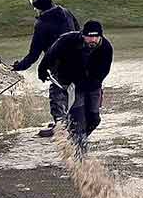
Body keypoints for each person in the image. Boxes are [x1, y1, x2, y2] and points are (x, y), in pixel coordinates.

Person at [39, 19, 113, 150]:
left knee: (94, 119)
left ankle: (74, 135)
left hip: (93, 84)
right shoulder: (68, 40)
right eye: (89, 37)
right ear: (83, 35)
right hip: (73, 83)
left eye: (96, 37)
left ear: (100, 36)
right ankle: (79, 148)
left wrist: (89, 85)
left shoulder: (106, 48)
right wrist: (43, 69)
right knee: (78, 119)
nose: (93, 40)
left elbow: (102, 72)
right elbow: (51, 54)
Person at [12, 0, 78, 137]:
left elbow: (34, 53)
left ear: (39, 8)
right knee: (70, 91)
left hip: (59, 63)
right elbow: (79, 31)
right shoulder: (66, 12)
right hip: (77, 58)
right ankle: (66, 122)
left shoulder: (41, 24)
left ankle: (60, 126)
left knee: (57, 94)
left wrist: (19, 66)